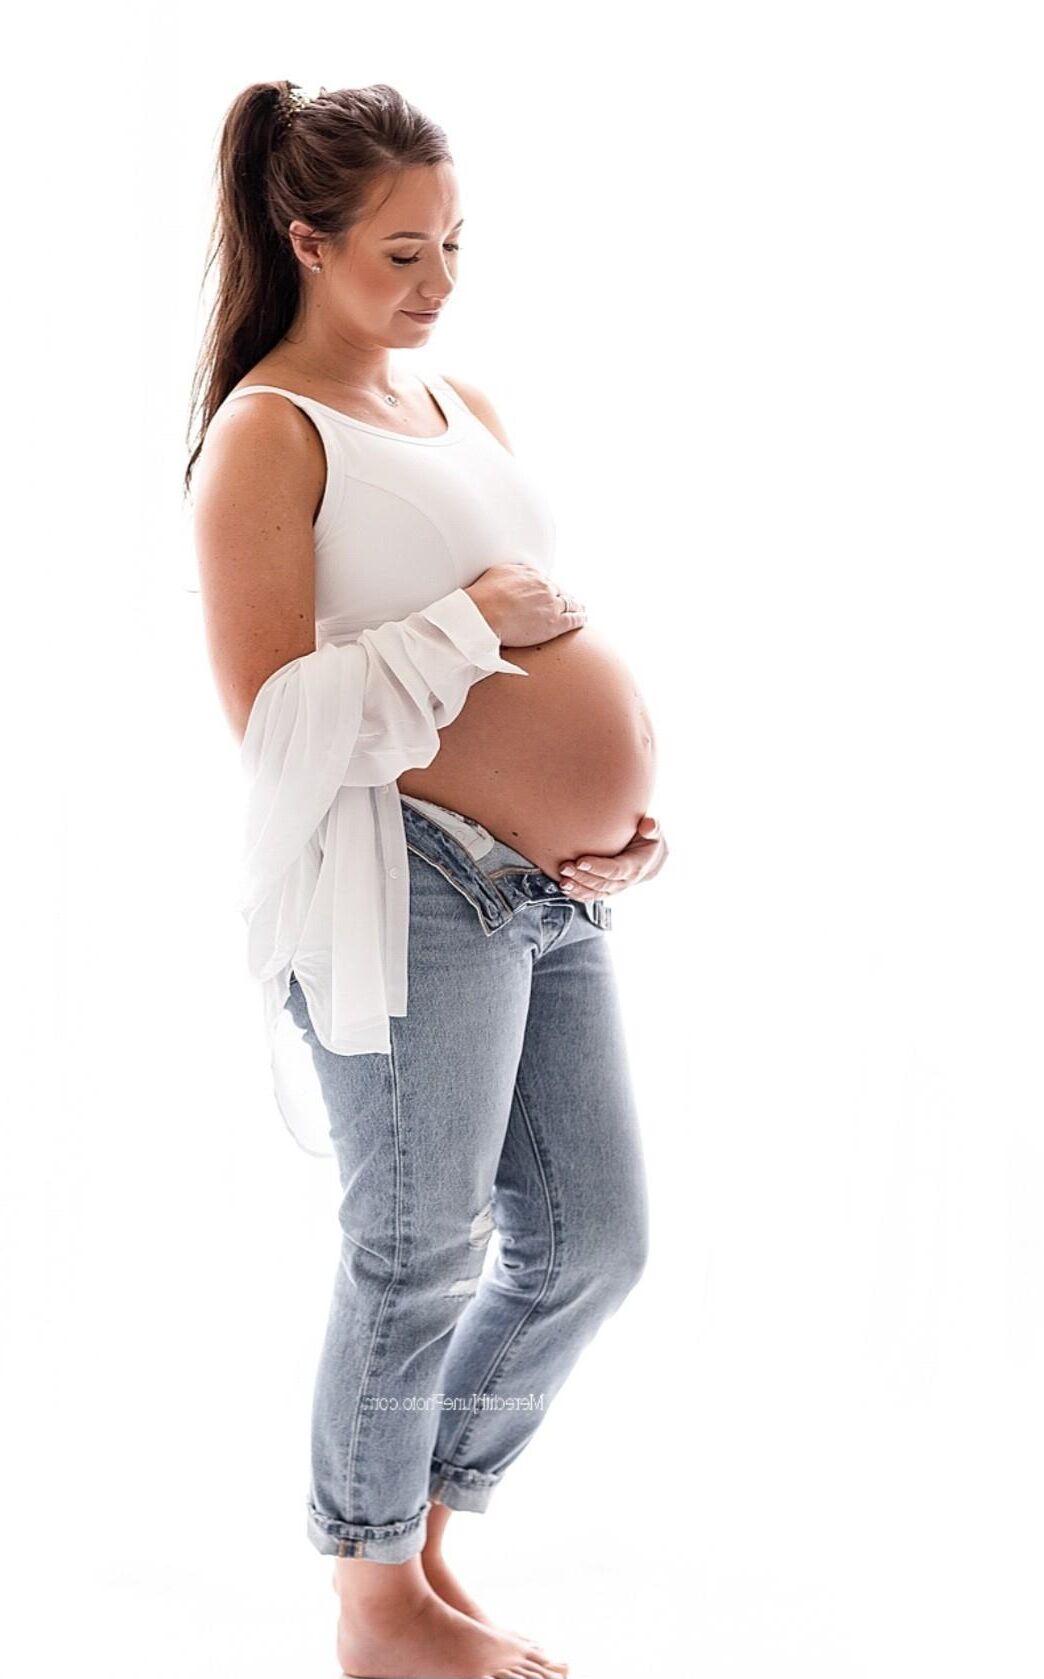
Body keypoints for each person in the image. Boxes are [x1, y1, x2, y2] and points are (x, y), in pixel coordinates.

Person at [187, 79, 667, 1679]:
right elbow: (276, 722)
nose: (439, 283)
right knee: (415, 1248)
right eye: (403, 253)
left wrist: (612, 818)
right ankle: (376, 1602)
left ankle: (419, 1545)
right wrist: (472, 624)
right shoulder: (267, 432)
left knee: (593, 1241)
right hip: (405, 885)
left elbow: (543, 645)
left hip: (550, 892)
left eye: (455, 243)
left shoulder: (461, 406)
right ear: (304, 238)